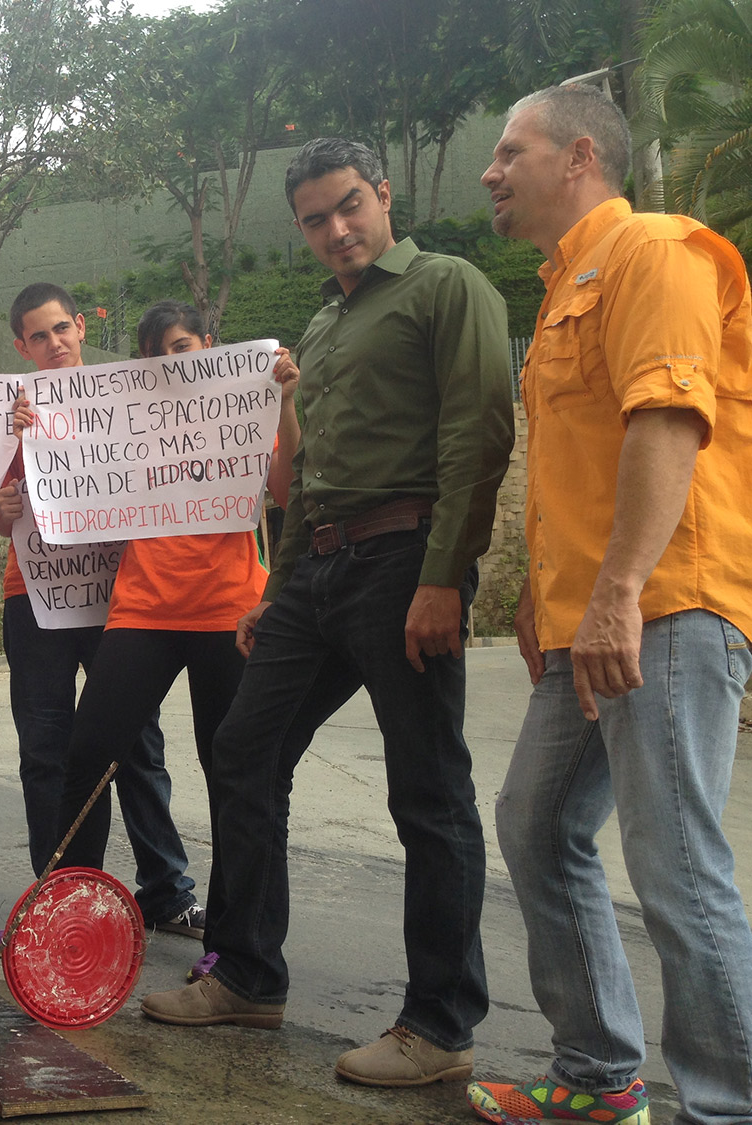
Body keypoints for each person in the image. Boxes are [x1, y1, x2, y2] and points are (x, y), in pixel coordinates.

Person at [140, 136, 514, 1089]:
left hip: (405, 559)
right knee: (243, 751)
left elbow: (480, 431)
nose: (336, 229)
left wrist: (444, 576)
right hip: (318, 568)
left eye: (349, 205)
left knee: (426, 790)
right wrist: (281, 584)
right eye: (315, 218)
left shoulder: (446, 285)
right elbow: (308, 471)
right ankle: (248, 976)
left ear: (383, 195)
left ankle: (439, 1024)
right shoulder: (320, 328)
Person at [467, 85, 752, 1125]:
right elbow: (577, 467)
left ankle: (726, 1108)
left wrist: (620, 593)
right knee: (536, 826)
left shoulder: (657, 252)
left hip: (664, 604)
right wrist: (554, 605)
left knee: (676, 863)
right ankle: (599, 1083)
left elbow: (667, 420)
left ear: (580, 154)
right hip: (592, 624)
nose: (490, 172)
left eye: (510, 149)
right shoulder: (562, 289)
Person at [47, 300, 299, 982]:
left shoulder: (248, 409)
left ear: (210, 345)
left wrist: (284, 402)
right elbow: (70, 479)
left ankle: (232, 945)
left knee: (237, 779)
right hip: (143, 610)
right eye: (157, 354)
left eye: (182, 346)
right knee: (89, 753)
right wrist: (31, 431)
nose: (171, 361)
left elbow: (285, 490)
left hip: (229, 612)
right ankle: (70, 916)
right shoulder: (131, 417)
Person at [0, 282, 206, 951]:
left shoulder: (129, 399)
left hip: (122, 596)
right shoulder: (11, 417)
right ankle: (57, 898)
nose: (53, 344)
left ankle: (166, 890)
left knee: (137, 745)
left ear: (81, 328)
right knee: (45, 751)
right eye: (38, 336)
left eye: (61, 329)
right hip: (37, 596)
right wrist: (5, 501)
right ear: (21, 346)